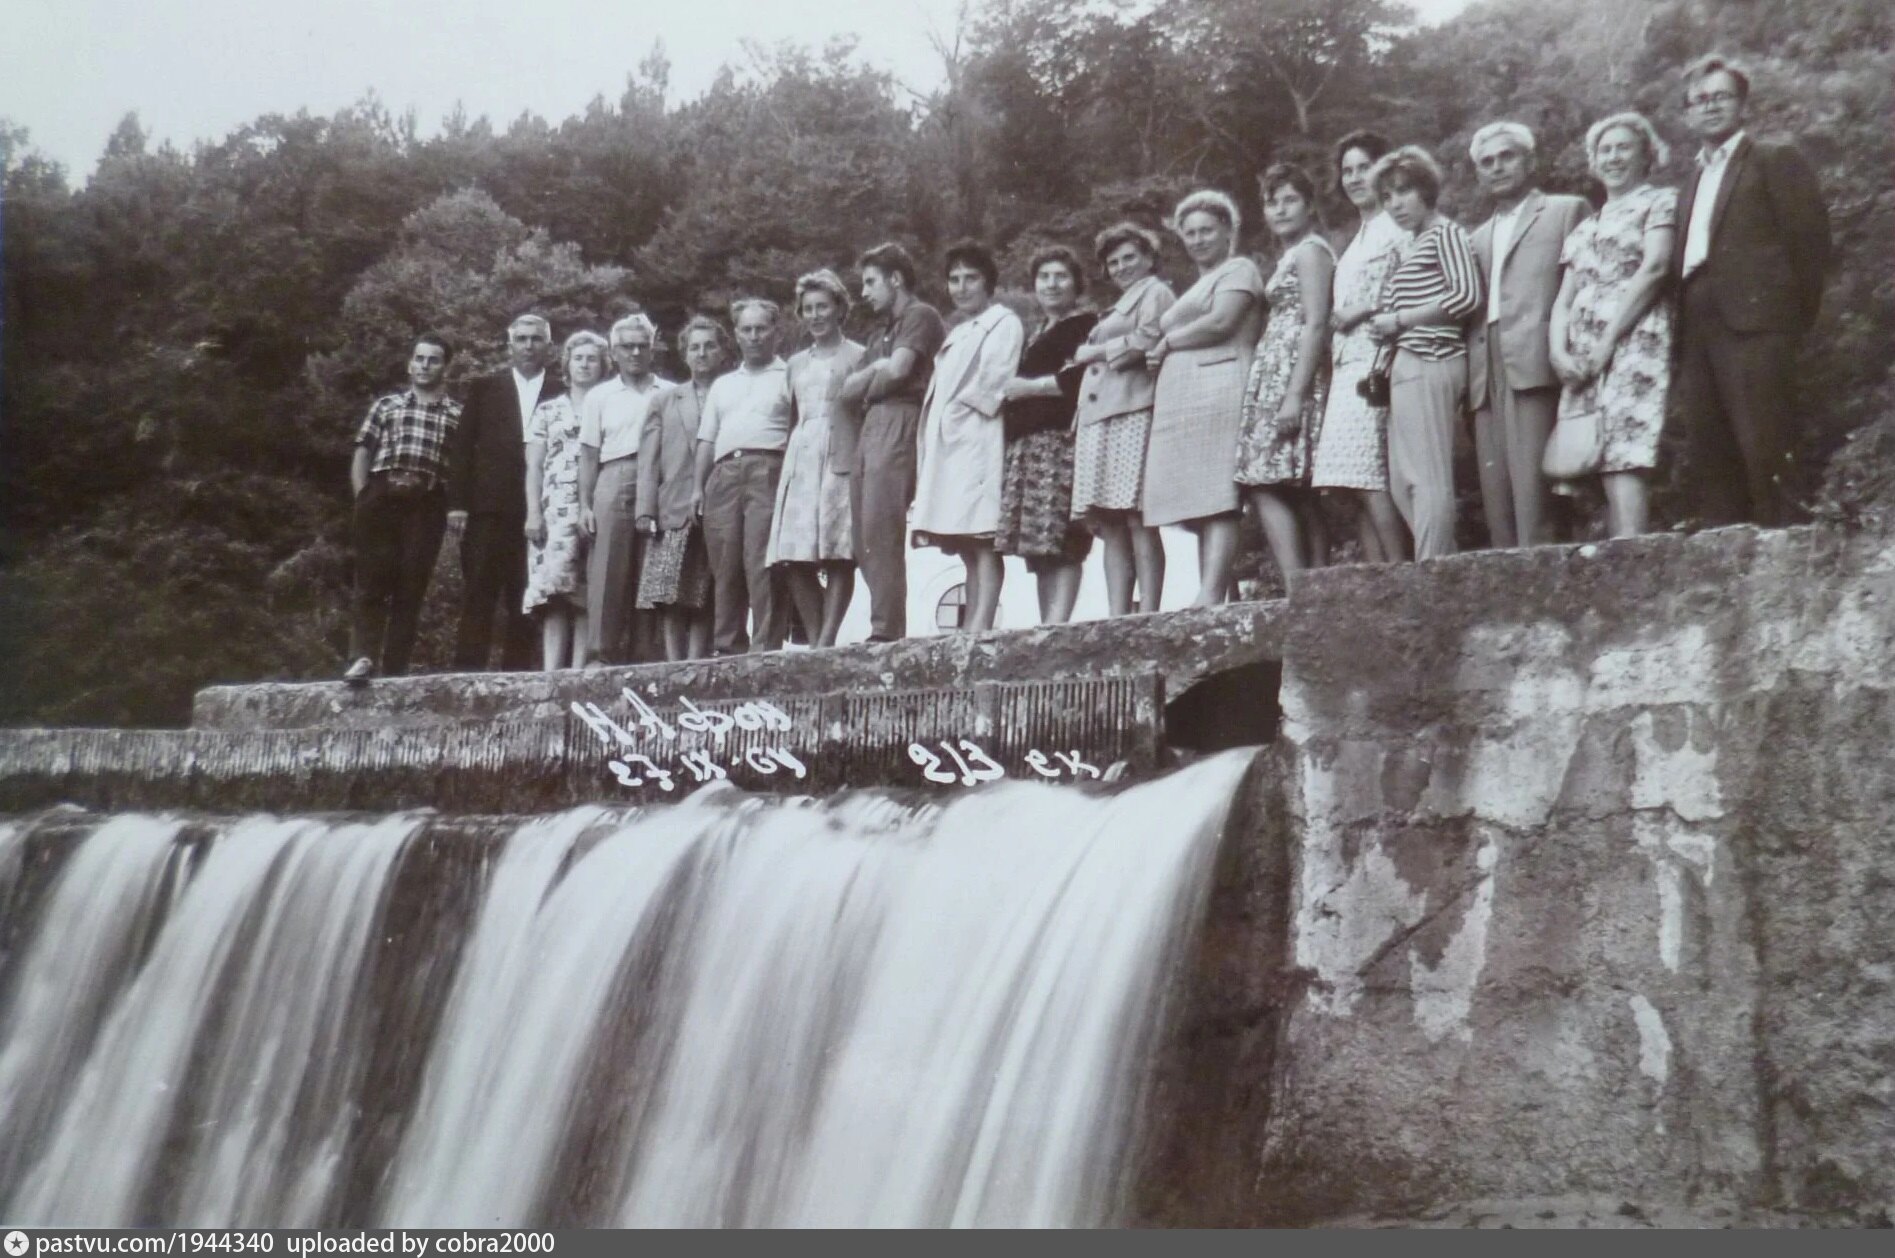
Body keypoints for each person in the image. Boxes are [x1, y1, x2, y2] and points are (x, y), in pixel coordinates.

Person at [1672, 53, 1832, 527]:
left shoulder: (1773, 158)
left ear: (1742, 104)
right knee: (1712, 450)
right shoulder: (1692, 179)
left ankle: (1787, 553)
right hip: (1697, 321)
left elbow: (1810, 244)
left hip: (1756, 321)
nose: (1710, 106)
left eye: (1721, 96)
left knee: (1767, 444)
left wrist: (1786, 319)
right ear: (1687, 113)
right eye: (1699, 100)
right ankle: (1729, 557)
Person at [1548, 113, 1679, 538]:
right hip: (1584, 354)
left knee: (1625, 453)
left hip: (1632, 338)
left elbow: (1655, 268)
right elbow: (1564, 299)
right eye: (1605, 150)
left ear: (1646, 155)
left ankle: (1634, 557)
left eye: (1624, 148)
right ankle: (1619, 556)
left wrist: (1607, 342)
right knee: (1594, 454)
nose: (1614, 157)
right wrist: (1558, 352)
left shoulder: (1660, 202)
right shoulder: (1585, 227)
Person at [1466, 122, 1592, 549]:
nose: (1497, 167)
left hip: (1537, 360)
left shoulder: (1565, 210)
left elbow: (1587, 289)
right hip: (1485, 371)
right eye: (1487, 162)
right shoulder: (1475, 238)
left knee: (1537, 499)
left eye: (1507, 156)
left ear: (1530, 160)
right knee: (1497, 502)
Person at [1144, 190, 1267, 605]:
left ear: (1228, 231)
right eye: (1190, 233)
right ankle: (1217, 593)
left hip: (1221, 387)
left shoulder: (1239, 269)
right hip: (1192, 400)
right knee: (1200, 499)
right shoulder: (1198, 283)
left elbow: (1221, 322)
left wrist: (1167, 342)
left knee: (1218, 497)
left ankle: (1211, 593)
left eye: (1207, 230)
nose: (1197, 239)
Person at [1367, 146, 1483, 560]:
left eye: (1403, 191)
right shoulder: (1414, 242)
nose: (1394, 204)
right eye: (1386, 196)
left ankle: (1434, 572)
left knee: (1427, 479)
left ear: (1426, 190)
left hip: (1432, 358)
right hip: (1406, 364)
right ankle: (1443, 564)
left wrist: (1400, 320)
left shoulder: (1445, 233)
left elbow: (1466, 295)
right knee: (1403, 483)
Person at [911, 240, 1026, 632]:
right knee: (964, 541)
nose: (961, 287)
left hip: (979, 439)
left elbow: (995, 380)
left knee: (982, 536)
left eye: (970, 278)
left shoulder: (1003, 322)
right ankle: (973, 624)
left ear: (987, 281)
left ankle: (982, 621)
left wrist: (960, 410)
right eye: (954, 279)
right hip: (952, 444)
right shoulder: (959, 331)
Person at [838, 243, 947, 641]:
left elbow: (900, 371)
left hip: (901, 418)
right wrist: (876, 371)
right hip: (871, 425)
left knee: (880, 527)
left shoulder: (920, 315)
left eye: (871, 282)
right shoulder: (879, 333)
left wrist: (874, 375)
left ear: (895, 279)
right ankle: (885, 624)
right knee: (862, 537)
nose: (864, 292)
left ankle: (885, 631)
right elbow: (845, 392)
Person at [344, 333, 462, 685]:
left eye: (433, 360)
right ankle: (362, 658)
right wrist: (363, 497)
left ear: (445, 367)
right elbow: (362, 451)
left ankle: (395, 671)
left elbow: (460, 468)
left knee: (411, 586)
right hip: (382, 495)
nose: (425, 366)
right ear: (410, 364)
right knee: (371, 581)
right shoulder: (387, 406)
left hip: (426, 501)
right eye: (419, 358)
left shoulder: (456, 414)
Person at [1236, 163, 1336, 579]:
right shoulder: (1292, 253)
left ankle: (1300, 585)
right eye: (1271, 202)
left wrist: (1294, 394)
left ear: (1309, 205)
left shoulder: (1311, 251)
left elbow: (1316, 321)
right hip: (1276, 372)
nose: (1279, 210)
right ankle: (1313, 585)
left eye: (1289, 200)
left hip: (1294, 373)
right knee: (1293, 487)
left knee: (1266, 481)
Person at [1316, 130, 1409, 564]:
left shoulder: (1397, 227)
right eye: (1347, 170)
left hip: (1375, 360)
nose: (1354, 178)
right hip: (1346, 363)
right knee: (1352, 482)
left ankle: (1398, 571)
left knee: (1370, 476)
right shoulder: (1360, 235)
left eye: (1363, 168)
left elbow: (1414, 283)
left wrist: (1365, 307)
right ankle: (1377, 579)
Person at [1070, 223, 1173, 615]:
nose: (1122, 267)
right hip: (1100, 416)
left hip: (1132, 409)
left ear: (1148, 258)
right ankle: (1118, 614)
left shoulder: (1155, 292)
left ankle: (1148, 610)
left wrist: (1095, 352)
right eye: (1113, 262)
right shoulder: (1119, 304)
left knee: (1136, 514)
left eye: (1130, 257)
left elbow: (1147, 339)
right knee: (1109, 519)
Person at [997, 245, 1098, 624]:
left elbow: (1080, 378)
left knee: (1062, 538)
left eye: (1061, 276)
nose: (1052, 284)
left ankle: (1059, 622)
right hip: (1028, 445)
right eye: (1044, 277)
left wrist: (1029, 388)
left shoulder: (1085, 325)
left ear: (1076, 284)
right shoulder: (1038, 331)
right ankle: (1046, 625)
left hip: (1060, 442)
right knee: (1038, 543)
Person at [447, 314, 553, 672]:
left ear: (548, 346)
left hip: (540, 509)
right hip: (487, 509)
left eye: (536, 339)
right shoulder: (485, 387)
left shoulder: (561, 389)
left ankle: (517, 678)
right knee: (479, 592)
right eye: (521, 339)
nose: (528, 345)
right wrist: (458, 504)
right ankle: (465, 678)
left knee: (526, 598)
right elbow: (463, 447)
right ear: (510, 345)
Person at [767, 270, 864, 648]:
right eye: (808, 309)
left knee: (838, 551)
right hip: (802, 454)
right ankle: (817, 642)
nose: (815, 315)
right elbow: (792, 415)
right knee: (794, 556)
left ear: (839, 308)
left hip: (840, 450)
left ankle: (826, 639)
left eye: (822, 306)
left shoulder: (859, 355)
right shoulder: (794, 363)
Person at [695, 298, 794, 654]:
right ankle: (727, 647)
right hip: (723, 474)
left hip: (767, 467)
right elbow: (707, 439)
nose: (754, 336)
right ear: (736, 335)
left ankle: (765, 646)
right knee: (725, 563)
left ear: (776, 332)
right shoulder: (723, 384)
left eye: (761, 328)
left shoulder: (790, 375)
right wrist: (697, 488)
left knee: (761, 561)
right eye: (747, 330)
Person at [579, 314, 672, 663]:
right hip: (614, 473)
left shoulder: (669, 392)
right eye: (627, 346)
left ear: (652, 349)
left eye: (642, 346)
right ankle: (600, 653)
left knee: (652, 566)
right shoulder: (599, 396)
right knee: (607, 565)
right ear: (614, 352)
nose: (635, 352)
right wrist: (584, 505)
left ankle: (645, 654)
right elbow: (588, 455)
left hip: (660, 478)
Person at [636, 317, 723, 662]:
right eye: (694, 347)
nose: (702, 353)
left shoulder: (732, 391)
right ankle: (674, 663)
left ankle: (697, 661)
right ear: (685, 354)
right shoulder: (666, 400)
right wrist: (645, 509)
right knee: (670, 589)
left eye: (709, 346)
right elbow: (649, 459)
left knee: (706, 590)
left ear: (722, 352)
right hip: (673, 504)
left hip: (719, 500)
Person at [522, 330, 607, 671]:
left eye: (592, 359)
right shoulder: (548, 410)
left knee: (586, 591)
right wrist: (533, 512)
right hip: (554, 510)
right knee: (554, 592)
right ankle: (551, 672)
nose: (584, 365)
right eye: (578, 358)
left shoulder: (609, 405)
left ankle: (578, 671)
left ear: (603, 366)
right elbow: (534, 465)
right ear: (567, 365)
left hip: (597, 505)